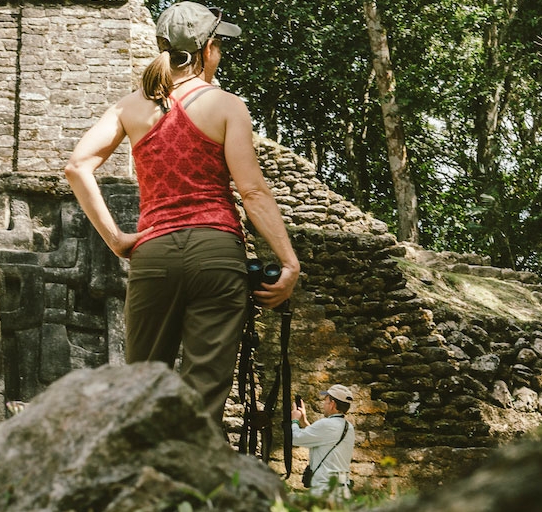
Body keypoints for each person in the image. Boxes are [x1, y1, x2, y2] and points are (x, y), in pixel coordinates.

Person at [62, 1, 301, 425]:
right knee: (204, 396)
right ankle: (196, 484)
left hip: (153, 255)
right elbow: (252, 191)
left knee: (142, 389)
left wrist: (117, 240)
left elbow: (77, 166)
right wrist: (288, 262)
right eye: (219, 47)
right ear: (208, 48)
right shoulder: (227, 106)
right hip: (217, 253)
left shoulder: (128, 108)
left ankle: (141, 481)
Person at [291, 384, 357, 500]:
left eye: (326, 401)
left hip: (325, 491)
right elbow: (322, 439)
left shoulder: (326, 424)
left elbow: (295, 438)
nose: (324, 404)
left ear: (332, 404)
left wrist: (294, 420)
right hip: (342, 489)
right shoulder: (348, 427)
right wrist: (304, 421)